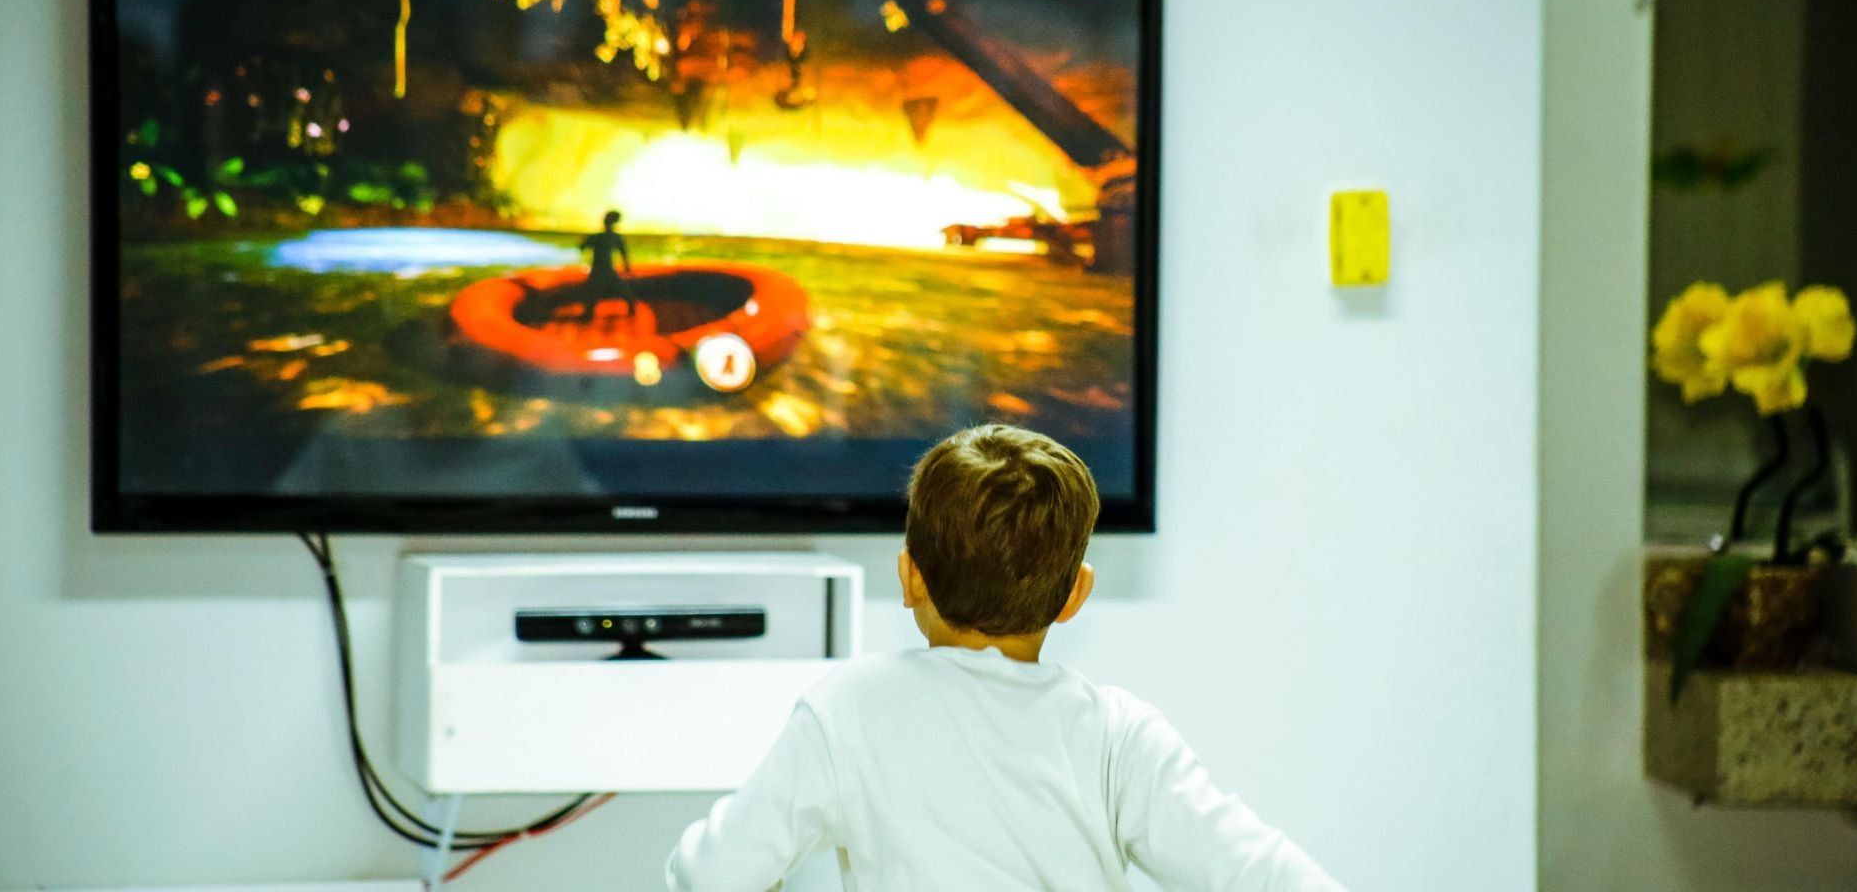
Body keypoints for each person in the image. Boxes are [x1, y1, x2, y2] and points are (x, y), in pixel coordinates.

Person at [665, 425, 1347, 891]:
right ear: (1075, 595)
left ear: (910, 577)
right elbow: (1262, 874)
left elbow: (711, 877)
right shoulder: (1118, 735)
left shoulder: (849, 709)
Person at [577, 209, 635, 323]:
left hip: (599, 268)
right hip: (606, 268)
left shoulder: (597, 237)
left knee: (592, 290)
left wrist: (584, 239)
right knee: (619, 288)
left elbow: (582, 248)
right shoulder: (614, 237)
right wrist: (627, 267)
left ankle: (588, 313)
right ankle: (631, 309)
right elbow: (623, 253)